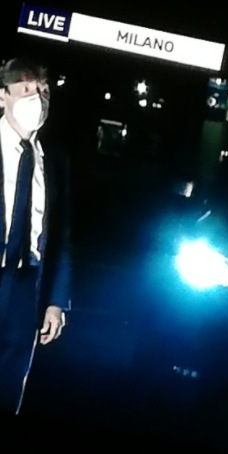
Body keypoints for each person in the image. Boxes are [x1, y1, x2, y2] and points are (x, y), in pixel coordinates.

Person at [0, 57, 71, 415]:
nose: (37, 99)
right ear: (3, 95)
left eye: (43, 91)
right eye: (26, 90)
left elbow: (62, 235)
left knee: (11, 381)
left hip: (27, 284)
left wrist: (56, 301)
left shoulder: (54, 159)